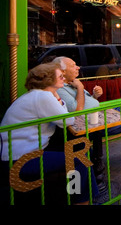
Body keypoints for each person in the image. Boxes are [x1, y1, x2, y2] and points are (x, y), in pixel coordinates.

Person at [0, 63, 98, 205]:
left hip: (20, 155)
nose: (63, 79)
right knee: (79, 159)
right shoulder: (43, 96)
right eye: (60, 76)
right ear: (48, 80)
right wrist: (57, 97)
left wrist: (57, 97)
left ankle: (85, 196)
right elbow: (68, 120)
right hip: (19, 160)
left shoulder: (38, 95)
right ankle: (81, 201)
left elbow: (63, 117)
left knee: (80, 147)